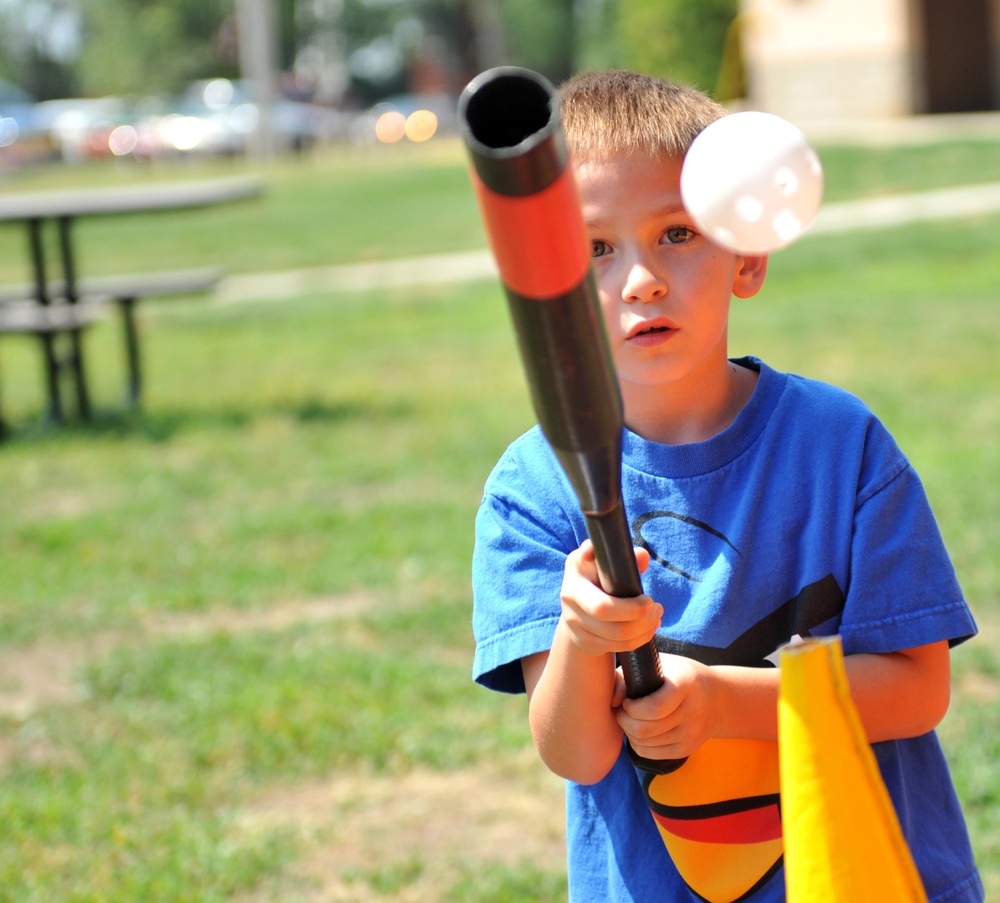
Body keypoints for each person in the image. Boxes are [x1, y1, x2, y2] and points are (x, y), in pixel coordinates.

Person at [471, 70, 983, 903]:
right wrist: (581, 636)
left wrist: (720, 698)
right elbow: (576, 751)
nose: (640, 279)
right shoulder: (533, 487)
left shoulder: (839, 443)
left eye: (677, 231)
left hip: (868, 877)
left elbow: (918, 689)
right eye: (595, 248)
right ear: (550, 287)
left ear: (746, 254)